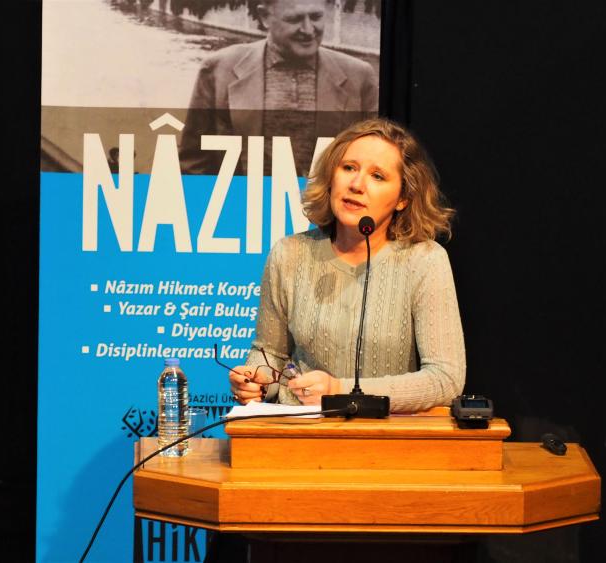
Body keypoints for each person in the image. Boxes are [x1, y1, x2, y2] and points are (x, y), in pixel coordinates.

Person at [227, 118, 466, 413]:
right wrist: (257, 381)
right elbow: (270, 353)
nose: (356, 184)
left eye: (377, 176)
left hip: (386, 433)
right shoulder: (290, 254)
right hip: (302, 429)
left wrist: (340, 392)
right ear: (332, 176)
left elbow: (445, 379)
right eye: (349, 168)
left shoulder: (424, 261)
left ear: (403, 198)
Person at [179, 0, 379, 175]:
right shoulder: (217, 70)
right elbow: (194, 164)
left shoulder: (359, 76)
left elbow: (376, 161)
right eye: (295, 19)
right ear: (265, 17)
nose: (308, 30)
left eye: (316, 17)